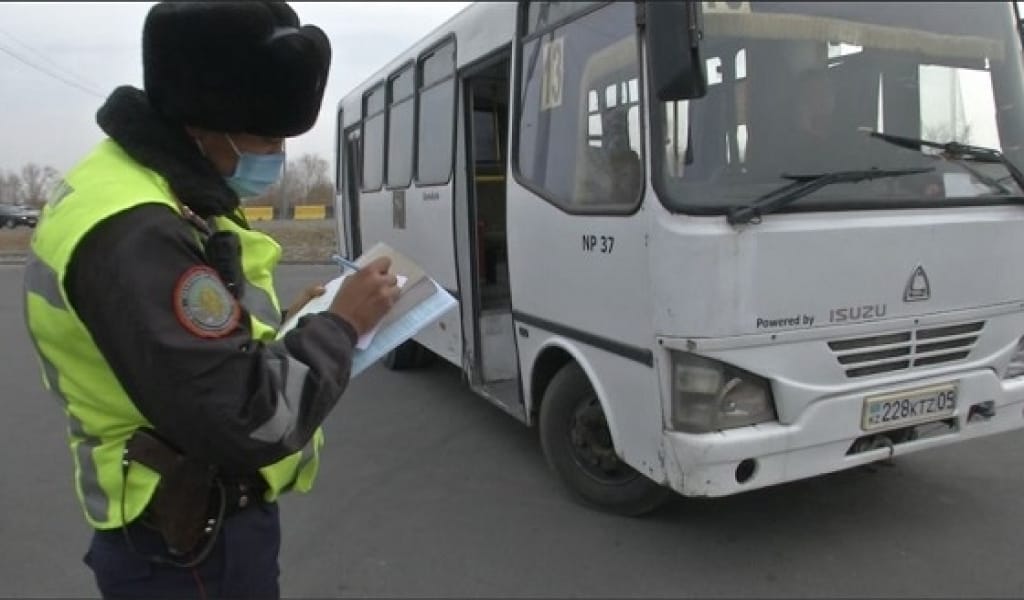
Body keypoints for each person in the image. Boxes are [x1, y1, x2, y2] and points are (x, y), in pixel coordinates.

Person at [22, 2, 399, 598]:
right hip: (189, 547)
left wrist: (297, 321)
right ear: (202, 124)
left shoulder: (133, 185)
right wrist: (341, 326)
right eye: (267, 137)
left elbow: (187, 353)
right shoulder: (138, 229)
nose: (277, 156)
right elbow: (246, 419)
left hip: (179, 526)